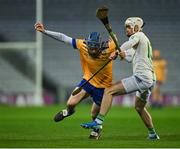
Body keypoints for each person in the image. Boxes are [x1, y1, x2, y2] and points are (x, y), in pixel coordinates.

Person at [81, 17, 160, 140]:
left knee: (109, 90)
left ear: (136, 27)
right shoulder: (140, 41)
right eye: (126, 27)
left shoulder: (138, 35)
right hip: (149, 79)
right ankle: (153, 134)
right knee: (139, 107)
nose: (126, 29)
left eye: (129, 27)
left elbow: (128, 44)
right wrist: (122, 54)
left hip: (142, 78)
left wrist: (118, 51)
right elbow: (129, 57)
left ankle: (98, 121)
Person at [34, 22, 116, 139]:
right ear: (87, 44)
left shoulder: (109, 47)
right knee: (70, 103)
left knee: (94, 114)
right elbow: (63, 38)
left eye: (95, 47)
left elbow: (121, 46)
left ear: (100, 45)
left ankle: (96, 130)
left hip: (103, 86)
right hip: (88, 80)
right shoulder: (81, 44)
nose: (92, 50)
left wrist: (118, 52)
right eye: (90, 47)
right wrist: (44, 31)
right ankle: (69, 111)